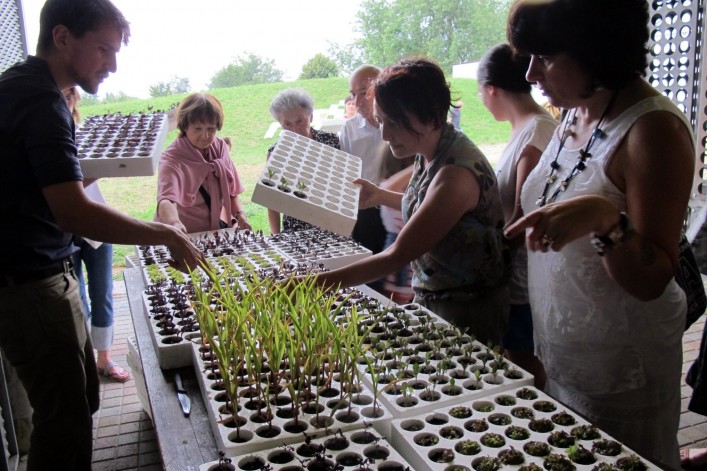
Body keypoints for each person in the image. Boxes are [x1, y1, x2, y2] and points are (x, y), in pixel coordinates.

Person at [0, 1, 204, 469]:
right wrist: (165, 235)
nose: (112, 65)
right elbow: (74, 211)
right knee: (64, 419)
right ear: (63, 37)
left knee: (78, 404)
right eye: (104, 50)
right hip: (28, 285)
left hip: (44, 274)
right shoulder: (38, 99)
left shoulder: (28, 89)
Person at [503, 0, 694, 468]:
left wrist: (606, 220)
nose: (530, 74)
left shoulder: (653, 130)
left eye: (544, 58)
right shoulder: (577, 109)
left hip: (624, 369)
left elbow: (653, 279)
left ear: (596, 49)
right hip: (565, 352)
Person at [311, 58, 509, 345]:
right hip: (439, 296)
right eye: (381, 121)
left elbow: (397, 255)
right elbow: (432, 210)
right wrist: (380, 196)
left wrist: (316, 284)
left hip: (467, 309)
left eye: (395, 123)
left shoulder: (455, 174)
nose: (384, 134)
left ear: (430, 116)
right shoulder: (430, 148)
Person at [477, 43, 556, 389]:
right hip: (515, 275)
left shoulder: (536, 134)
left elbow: (526, 217)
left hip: (524, 280)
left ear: (491, 90)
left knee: (526, 368)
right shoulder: (526, 130)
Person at [65, 86, 128, 383]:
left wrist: (107, 163)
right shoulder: (44, 137)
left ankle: (104, 359)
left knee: (102, 290)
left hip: (95, 224)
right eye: (60, 94)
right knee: (76, 297)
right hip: (63, 228)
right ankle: (85, 361)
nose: (66, 100)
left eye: (69, 95)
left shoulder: (80, 131)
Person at [156, 93, 252, 234]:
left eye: (211, 129)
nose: (205, 136)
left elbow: (231, 191)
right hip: (184, 234)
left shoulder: (220, 148)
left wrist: (240, 215)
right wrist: (175, 224)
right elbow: (166, 200)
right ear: (185, 126)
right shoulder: (172, 158)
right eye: (198, 129)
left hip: (214, 234)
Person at [266, 88, 340, 234]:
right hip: (295, 231)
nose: (295, 129)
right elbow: (272, 201)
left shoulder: (331, 142)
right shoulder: (276, 152)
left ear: (310, 117)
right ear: (280, 124)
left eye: (300, 121)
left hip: (332, 225)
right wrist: (276, 237)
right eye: (287, 124)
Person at [340, 64, 387, 257]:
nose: (357, 102)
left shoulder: (401, 123)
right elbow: (346, 176)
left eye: (364, 93)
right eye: (353, 94)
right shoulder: (349, 129)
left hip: (399, 205)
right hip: (365, 209)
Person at [375, 144, 415, 303]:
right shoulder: (387, 189)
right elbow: (390, 186)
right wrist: (421, 162)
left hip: (408, 252)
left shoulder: (409, 191)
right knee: (398, 301)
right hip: (399, 250)